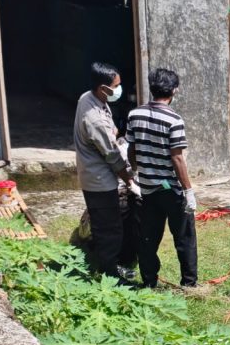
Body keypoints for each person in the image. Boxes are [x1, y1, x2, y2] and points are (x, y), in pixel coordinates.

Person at [127, 68, 198, 289]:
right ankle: (189, 283)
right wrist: (188, 191)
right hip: (171, 190)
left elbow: (132, 149)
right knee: (184, 237)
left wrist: (137, 172)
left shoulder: (134, 115)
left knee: (148, 238)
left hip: (147, 188)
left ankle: (149, 281)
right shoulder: (174, 120)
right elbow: (177, 158)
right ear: (174, 91)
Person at [73, 61, 134, 280]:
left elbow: (111, 133)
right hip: (99, 180)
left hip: (94, 174)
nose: (119, 89)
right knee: (110, 230)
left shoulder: (89, 98)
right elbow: (112, 156)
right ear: (102, 88)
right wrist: (129, 180)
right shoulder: (94, 118)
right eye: (115, 86)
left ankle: (104, 265)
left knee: (104, 224)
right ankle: (109, 273)